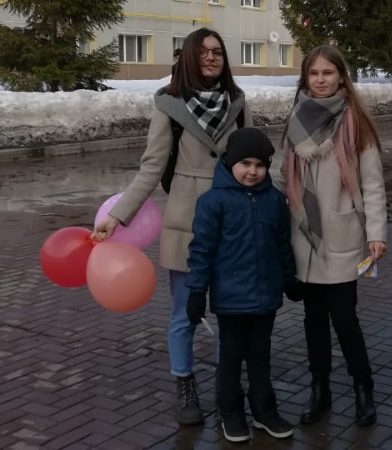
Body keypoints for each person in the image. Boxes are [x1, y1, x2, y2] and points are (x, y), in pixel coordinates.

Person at [92, 27, 252, 425]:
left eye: (217, 52)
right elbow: (152, 167)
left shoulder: (237, 102)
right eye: (203, 52)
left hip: (231, 221)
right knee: (184, 312)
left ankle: (227, 385)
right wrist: (118, 216)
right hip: (187, 223)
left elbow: (252, 160)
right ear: (190, 57)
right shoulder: (169, 104)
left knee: (231, 311)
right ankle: (185, 384)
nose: (211, 58)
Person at [277, 44, 387, 428]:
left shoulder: (355, 121)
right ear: (305, 78)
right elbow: (283, 174)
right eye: (314, 73)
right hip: (305, 235)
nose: (321, 80)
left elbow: (372, 183)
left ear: (341, 76)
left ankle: (363, 386)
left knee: (344, 319)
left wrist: (376, 232)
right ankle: (319, 387)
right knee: (313, 320)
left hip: (342, 233)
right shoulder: (296, 118)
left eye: (328, 72)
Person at [185, 128, 298, 443]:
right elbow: (202, 250)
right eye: (245, 163)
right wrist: (196, 290)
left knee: (260, 354)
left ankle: (264, 410)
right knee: (231, 357)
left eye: (260, 165)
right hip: (231, 298)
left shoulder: (274, 200)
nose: (252, 171)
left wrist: (289, 277)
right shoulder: (213, 202)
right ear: (229, 163)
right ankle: (231, 411)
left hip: (266, 296)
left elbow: (282, 244)